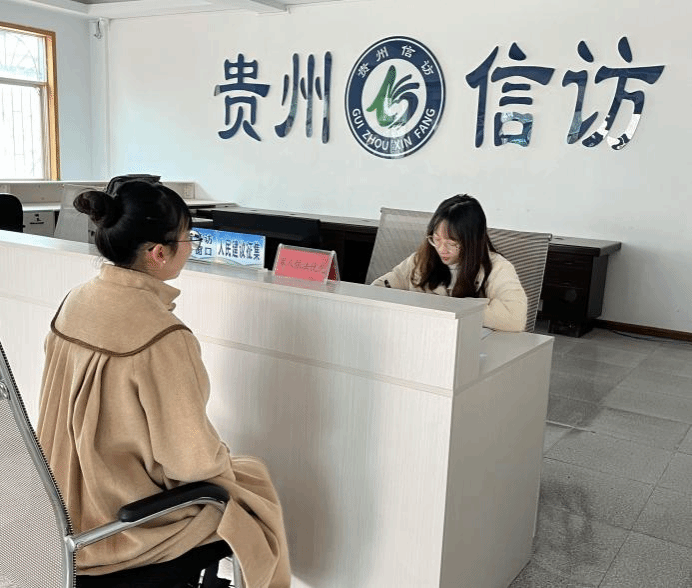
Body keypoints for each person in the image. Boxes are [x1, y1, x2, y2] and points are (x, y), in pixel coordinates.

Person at [36, 179, 291, 588]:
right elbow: (191, 463)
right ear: (159, 253)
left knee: (241, 477)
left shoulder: (75, 300)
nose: (191, 246)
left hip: (53, 512)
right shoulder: (164, 336)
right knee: (252, 490)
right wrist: (224, 463)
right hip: (120, 525)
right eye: (189, 238)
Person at [372, 194, 527, 332]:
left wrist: (448, 307)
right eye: (436, 239)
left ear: (472, 242)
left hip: (468, 344)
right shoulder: (421, 259)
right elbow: (377, 290)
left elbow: (515, 318)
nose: (441, 249)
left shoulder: (498, 267)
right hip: (420, 335)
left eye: (452, 243)